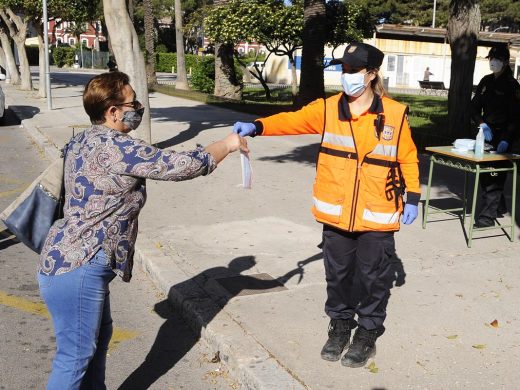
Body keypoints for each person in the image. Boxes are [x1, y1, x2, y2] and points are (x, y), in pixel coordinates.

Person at [37, 71, 247, 389]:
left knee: (95, 344)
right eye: (133, 102)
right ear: (113, 111)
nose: (138, 107)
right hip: (80, 264)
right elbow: (182, 166)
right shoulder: (118, 147)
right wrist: (227, 144)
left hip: (68, 257)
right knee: (75, 357)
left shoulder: (81, 139)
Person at [233, 42, 420, 368]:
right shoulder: (328, 108)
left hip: (378, 212)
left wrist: (414, 196)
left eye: (354, 70)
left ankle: (368, 333)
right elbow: (292, 121)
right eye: (344, 70)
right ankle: (340, 326)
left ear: (372, 73)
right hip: (336, 213)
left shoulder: (394, 114)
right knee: (338, 276)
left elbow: (407, 157)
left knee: (375, 278)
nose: (346, 76)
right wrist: (259, 126)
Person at [471, 44, 520, 228]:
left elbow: (516, 117)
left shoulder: (512, 86)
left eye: (497, 59)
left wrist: (507, 139)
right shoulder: (486, 81)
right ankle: (499, 207)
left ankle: (487, 218)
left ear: (506, 62)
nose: (493, 62)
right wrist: (481, 124)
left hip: (505, 137)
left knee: (495, 177)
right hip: (487, 134)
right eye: (491, 59)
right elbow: (474, 107)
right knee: (485, 176)